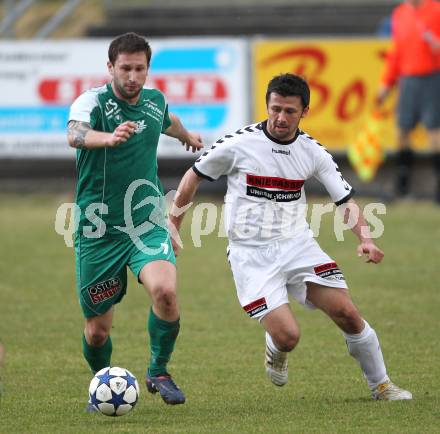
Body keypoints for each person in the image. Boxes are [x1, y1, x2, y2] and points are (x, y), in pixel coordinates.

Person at [169, 73, 412, 401]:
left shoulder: (313, 152)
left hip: (297, 245)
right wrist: (174, 227)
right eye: (275, 109)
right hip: (250, 254)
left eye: (289, 111)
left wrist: (365, 238)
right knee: (289, 336)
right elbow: (191, 178)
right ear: (267, 106)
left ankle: (381, 385)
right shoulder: (239, 144)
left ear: (304, 112)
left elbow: (344, 200)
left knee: (348, 313)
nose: (281, 118)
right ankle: (276, 345)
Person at [67, 32, 203, 409]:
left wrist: (186, 135)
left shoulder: (153, 101)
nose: (132, 76)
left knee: (166, 292)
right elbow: (74, 134)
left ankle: (158, 370)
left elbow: (166, 118)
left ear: (147, 69)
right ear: (110, 67)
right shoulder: (91, 101)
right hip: (98, 230)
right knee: (97, 332)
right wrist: (107, 139)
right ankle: (102, 384)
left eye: (139, 69)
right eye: (124, 68)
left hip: (144, 222)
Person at [376, 0, 440, 202]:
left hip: (433, 77)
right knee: (402, 131)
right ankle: (402, 186)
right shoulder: (400, 13)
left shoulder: (436, 9)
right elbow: (397, 53)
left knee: (434, 131)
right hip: (408, 79)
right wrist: (386, 84)